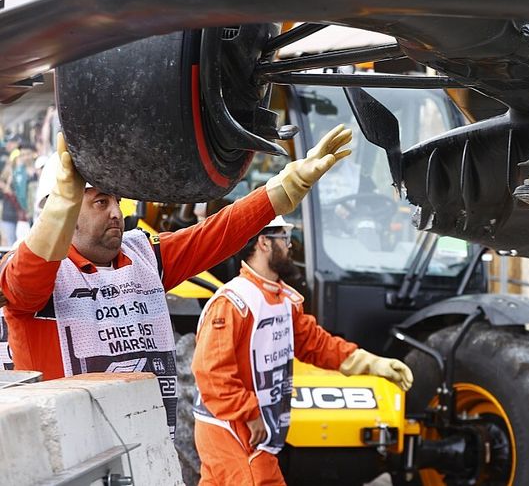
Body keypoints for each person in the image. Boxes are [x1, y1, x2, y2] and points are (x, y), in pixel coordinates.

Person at [0, 126, 353, 438]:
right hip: (70, 464)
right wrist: (58, 211)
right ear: (59, 212)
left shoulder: (143, 257)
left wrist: (287, 186)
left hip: (143, 455)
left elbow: (218, 233)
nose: (116, 213)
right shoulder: (33, 273)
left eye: (118, 201)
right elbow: (28, 276)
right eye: (100, 202)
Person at [191, 216, 413, 485]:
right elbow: (211, 372)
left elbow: (316, 344)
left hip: (252, 435)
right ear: (263, 242)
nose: (290, 245)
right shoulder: (233, 302)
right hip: (233, 433)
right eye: (284, 238)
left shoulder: (285, 300)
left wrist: (372, 363)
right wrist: (249, 414)